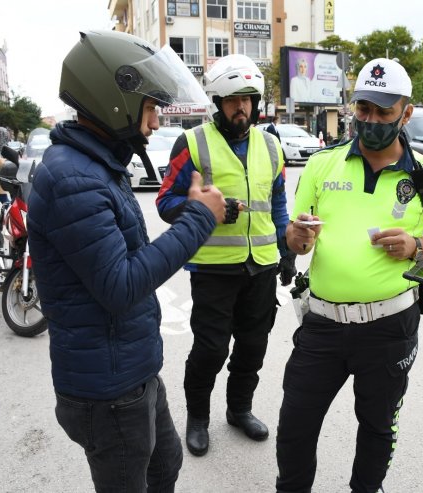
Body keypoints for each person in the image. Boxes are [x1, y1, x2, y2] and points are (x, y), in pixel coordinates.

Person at [27, 30, 227, 491]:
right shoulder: (73, 179)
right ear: (114, 100)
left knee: (166, 464)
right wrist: (199, 218)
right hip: (108, 390)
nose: (156, 122)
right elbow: (120, 285)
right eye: (152, 108)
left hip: (130, 371)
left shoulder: (96, 165)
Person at [275, 58, 423, 493]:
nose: (371, 120)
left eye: (383, 112)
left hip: (389, 328)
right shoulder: (322, 165)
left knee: (377, 427)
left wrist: (416, 246)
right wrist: (298, 238)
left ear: (406, 113)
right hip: (321, 325)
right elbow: (298, 239)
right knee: (295, 426)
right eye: (363, 109)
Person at [156, 53, 294, 458]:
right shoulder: (194, 142)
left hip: (262, 268)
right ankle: (198, 418)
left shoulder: (271, 146)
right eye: (233, 100)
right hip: (214, 270)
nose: (242, 108)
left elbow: (278, 203)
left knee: (253, 347)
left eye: (248, 99)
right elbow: (165, 201)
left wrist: (286, 252)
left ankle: (239, 410)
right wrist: (203, 208)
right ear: (217, 102)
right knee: (211, 349)